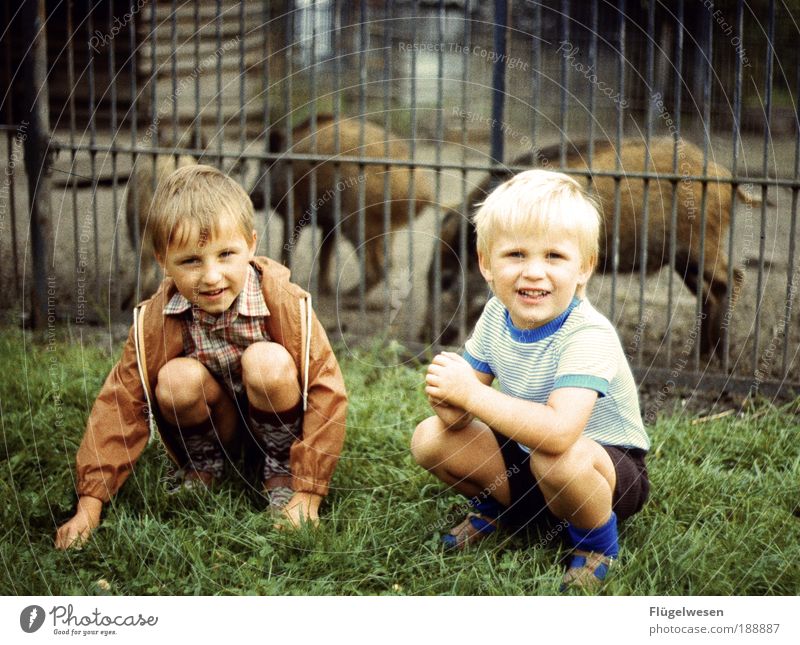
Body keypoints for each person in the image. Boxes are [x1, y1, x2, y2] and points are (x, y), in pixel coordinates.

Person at [55, 165, 347, 549]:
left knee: (267, 362)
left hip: (278, 417)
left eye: (226, 254)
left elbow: (328, 392)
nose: (211, 276)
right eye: (191, 261)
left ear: (252, 244)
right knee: (174, 379)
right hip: (219, 424)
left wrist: (309, 494)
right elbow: (120, 402)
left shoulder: (287, 303)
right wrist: (89, 505)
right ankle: (204, 465)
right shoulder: (155, 319)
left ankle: (281, 473)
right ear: (163, 260)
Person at [411, 169, 650, 590]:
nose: (534, 272)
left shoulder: (587, 334)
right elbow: (457, 418)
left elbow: (558, 433)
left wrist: (469, 393)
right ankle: (502, 509)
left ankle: (595, 541)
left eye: (554, 256)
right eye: (516, 254)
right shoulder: (493, 317)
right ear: (486, 263)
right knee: (430, 438)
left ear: (584, 267)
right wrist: (447, 396)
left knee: (554, 455)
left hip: (605, 472)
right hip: (533, 456)